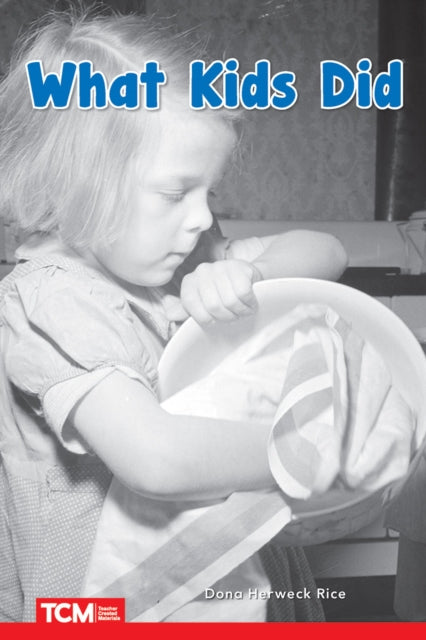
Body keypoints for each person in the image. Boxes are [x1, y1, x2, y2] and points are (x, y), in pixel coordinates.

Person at [0, 8, 347, 622]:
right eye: (175, 192)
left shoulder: (184, 258)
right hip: (110, 605)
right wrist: (314, 451)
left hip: (223, 575)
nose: (202, 216)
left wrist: (255, 273)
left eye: (209, 192)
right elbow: (156, 458)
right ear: (75, 184)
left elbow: (328, 253)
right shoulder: (50, 303)